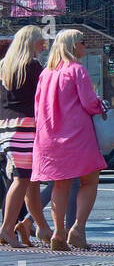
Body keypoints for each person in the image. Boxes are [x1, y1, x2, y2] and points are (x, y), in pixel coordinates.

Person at [32, 29, 106, 252]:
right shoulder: (77, 70)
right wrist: (100, 104)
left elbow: (37, 107)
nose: (85, 46)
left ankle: (58, 232)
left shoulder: (46, 73)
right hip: (76, 135)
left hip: (49, 136)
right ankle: (78, 228)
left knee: (60, 183)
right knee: (90, 180)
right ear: (74, 46)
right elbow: (89, 103)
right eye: (83, 42)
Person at [0, 26, 52, 247]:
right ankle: (7, 229)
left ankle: (42, 228)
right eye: (40, 42)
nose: (43, 46)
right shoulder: (32, 67)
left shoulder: (4, 66)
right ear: (30, 42)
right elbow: (43, 98)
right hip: (26, 126)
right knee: (22, 179)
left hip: (6, 126)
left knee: (31, 180)